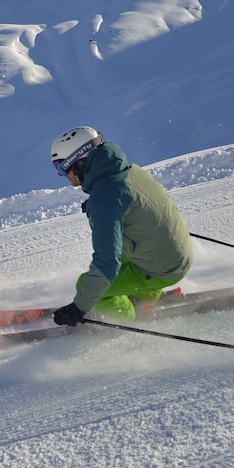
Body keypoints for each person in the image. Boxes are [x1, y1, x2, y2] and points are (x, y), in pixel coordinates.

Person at [48, 127, 192, 327]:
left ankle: (127, 319)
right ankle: (146, 296)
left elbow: (107, 263)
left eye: (62, 168)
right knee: (116, 255)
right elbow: (130, 202)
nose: (62, 175)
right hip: (174, 253)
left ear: (80, 162)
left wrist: (79, 307)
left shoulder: (104, 198)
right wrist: (103, 207)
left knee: (89, 285)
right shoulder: (126, 170)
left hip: (164, 269)